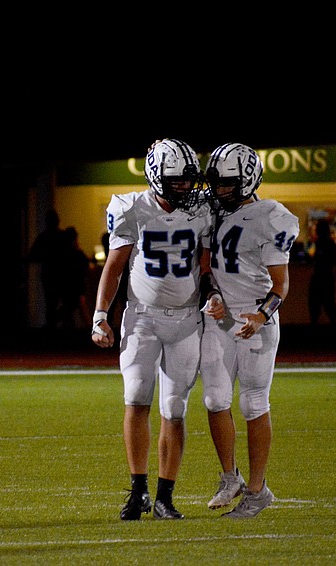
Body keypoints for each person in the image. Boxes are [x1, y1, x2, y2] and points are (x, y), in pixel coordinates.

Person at [91, 138, 212, 521]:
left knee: (174, 409)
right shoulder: (131, 207)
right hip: (142, 317)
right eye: (177, 180)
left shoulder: (202, 210)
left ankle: (165, 496)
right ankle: (139, 490)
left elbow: (209, 262)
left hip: (186, 318)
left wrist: (216, 294)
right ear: (157, 177)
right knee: (136, 399)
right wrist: (100, 314)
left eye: (188, 180)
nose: (185, 187)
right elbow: (115, 265)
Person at [199, 143, 299, 519]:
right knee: (214, 400)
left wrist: (262, 314)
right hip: (220, 316)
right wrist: (211, 294)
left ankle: (257, 490)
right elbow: (206, 264)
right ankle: (230, 477)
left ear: (248, 180)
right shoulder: (213, 212)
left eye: (228, 184)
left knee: (253, 402)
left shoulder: (273, 216)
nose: (219, 190)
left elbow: (281, 284)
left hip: (255, 318)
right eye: (216, 184)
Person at [29, 209, 68, 329]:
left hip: (50, 272)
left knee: (51, 300)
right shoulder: (61, 236)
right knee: (60, 300)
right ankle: (59, 322)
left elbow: (33, 254)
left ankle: (54, 323)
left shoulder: (44, 237)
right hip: (60, 272)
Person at [307, 218, 336, 325]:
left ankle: (315, 323)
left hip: (320, 276)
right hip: (326, 276)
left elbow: (319, 259)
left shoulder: (321, 243)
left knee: (316, 302)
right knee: (328, 301)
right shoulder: (330, 243)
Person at [59, 226, 92, 328]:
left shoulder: (63, 253)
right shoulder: (76, 252)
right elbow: (85, 264)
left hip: (68, 283)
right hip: (77, 283)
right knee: (80, 306)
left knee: (69, 307)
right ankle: (88, 328)